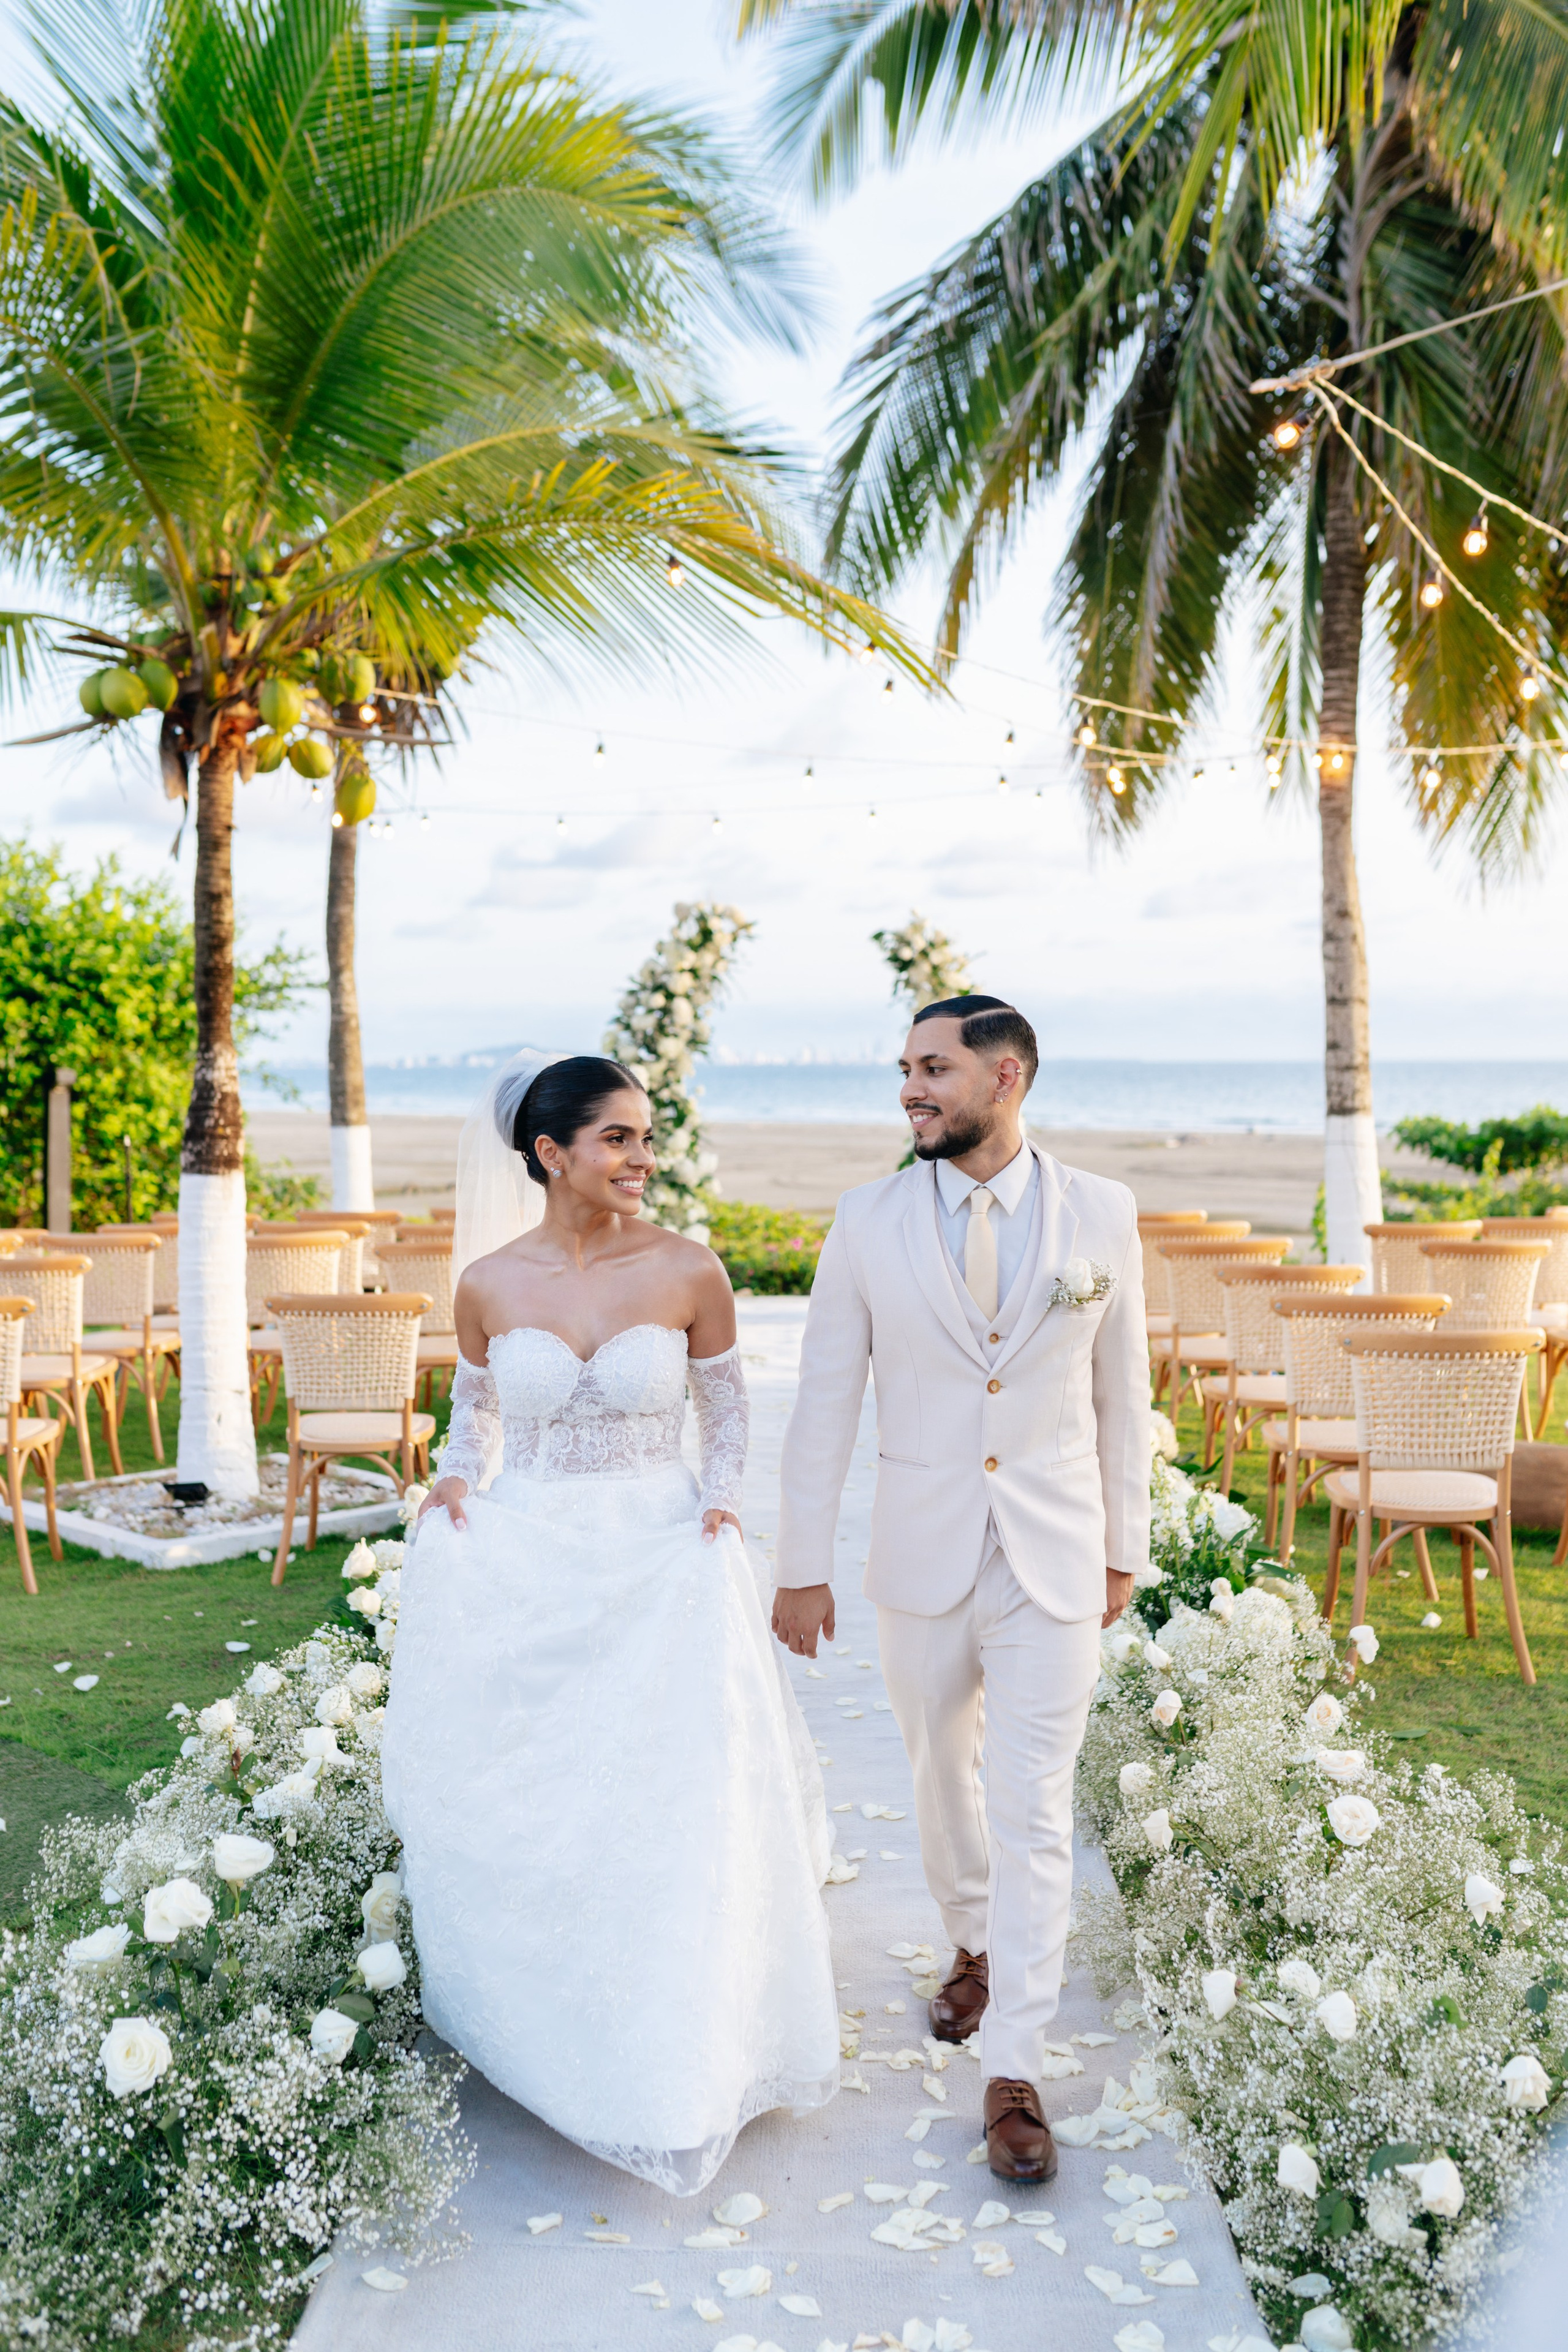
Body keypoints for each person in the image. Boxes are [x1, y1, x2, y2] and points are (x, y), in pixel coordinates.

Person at [382, 1052, 838, 2195]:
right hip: (533, 1558)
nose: (644, 1159)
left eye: (648, 1138)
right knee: (545, 1793)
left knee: (669, 1801)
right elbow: (476, 1424)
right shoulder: (487, 1283)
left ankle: (682, 2048)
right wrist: (453, 1481)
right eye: (620, 1139)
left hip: (662, 1557)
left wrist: (722, 1503)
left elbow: (725, 1414)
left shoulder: (690, 1270)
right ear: (551, 1154)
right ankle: (545, 2018)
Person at [772, 997, 1148, 2184]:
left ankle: (1015, 2068)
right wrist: (800, 1566)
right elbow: (825, 1395)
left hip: (1052, 1549)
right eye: (903, 1070)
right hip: (922, 1548)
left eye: (930, 1069)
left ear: (1006, 1073)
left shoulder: (1102, 1214)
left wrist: (1122, 1541)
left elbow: (1119, 1392)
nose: (909, 1091)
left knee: (1036, 1801)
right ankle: (972, 1939)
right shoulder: (866, 1220)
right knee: (942, 1767)